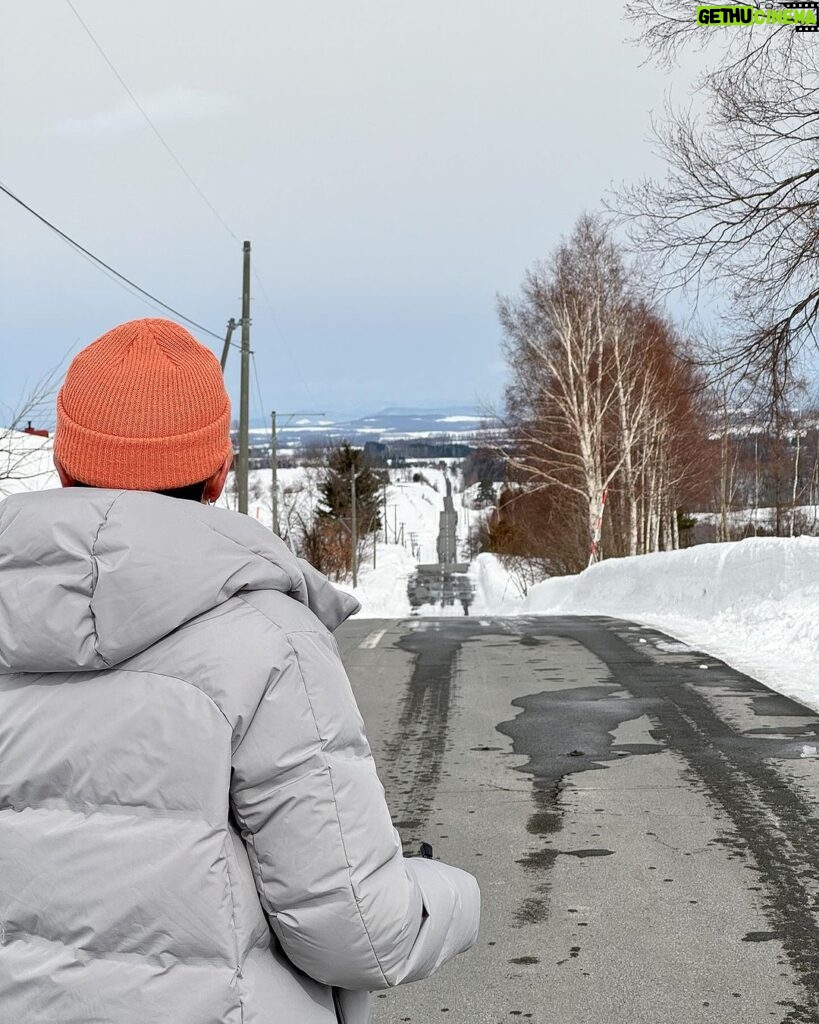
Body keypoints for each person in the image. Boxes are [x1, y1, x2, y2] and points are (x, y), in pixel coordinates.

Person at [0, 318, 480, 1024]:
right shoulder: (270, 644)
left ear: (65, 466)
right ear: (218, 474)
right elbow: (359, 938)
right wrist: (451, 894)